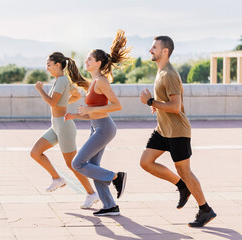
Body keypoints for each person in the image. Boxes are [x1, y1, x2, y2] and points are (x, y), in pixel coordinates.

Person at [139, 36, 216, 227]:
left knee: (184, 170)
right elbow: (167, 102)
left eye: (154, 47)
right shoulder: (161, 72)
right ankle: (182, 186)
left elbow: (175, 106)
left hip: (177, 131)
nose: (150, 50)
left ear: (165, 51)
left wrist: (151, 102)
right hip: (163, 130)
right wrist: (156, 105)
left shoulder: (169, 74)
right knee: (146, 162)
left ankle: (205, 210)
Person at [65, 30, 130, 216]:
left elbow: (117, 106)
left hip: (104, 128)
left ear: (98, 63)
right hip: (97, 128)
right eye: (86, 59)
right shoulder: (93, 81)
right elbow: (93, 113)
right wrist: (76, 116)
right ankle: (110, 206)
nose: (85, 62)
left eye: (89, 60)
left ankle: (116, 177)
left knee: (78, 163)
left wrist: (90, 110)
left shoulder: (101, 81)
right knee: (94, 167)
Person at [31, 52, 99, 209]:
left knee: (73, 164)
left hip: (64, 126)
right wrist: (65, 102)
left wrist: (40, 89)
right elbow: (76, 94)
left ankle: (91, 193)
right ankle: (57, 179)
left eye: (49, 65)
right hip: (56, 125)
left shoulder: (61, 81)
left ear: (58, 65)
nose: (47, 68)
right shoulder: (60, 81)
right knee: (35, 152)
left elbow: (52, 102)